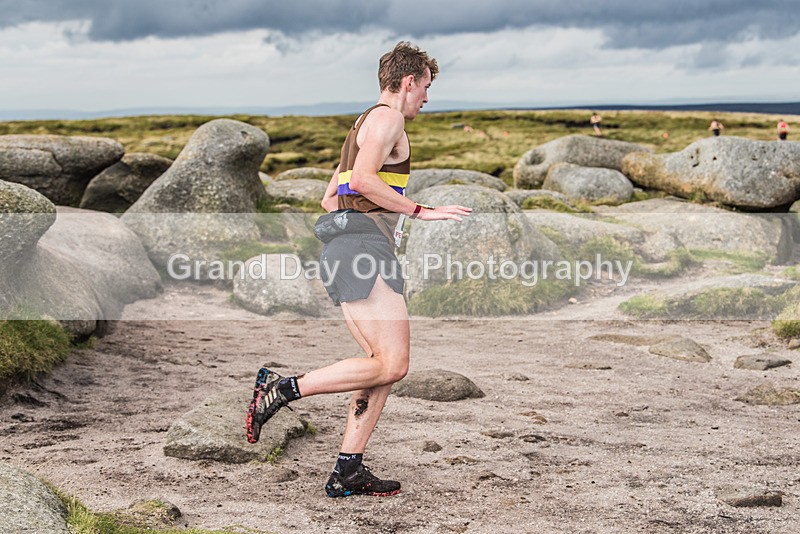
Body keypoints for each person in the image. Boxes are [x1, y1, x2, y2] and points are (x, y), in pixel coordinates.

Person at [245, 41, 471, 498]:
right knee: (395, 363)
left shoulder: (362, 124)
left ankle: (348, 469)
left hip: (347, 249)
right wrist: (417, 210)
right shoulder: (388, 118)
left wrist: (376, 215)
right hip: (365, 252)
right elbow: (366, 180)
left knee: (380, 368)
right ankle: (283, 388)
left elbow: (333, 197)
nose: (427, 97)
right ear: (409, 82)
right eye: (426, 87)